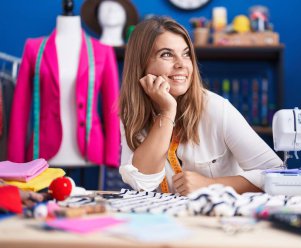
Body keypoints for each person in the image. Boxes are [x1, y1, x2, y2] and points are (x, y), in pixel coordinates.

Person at [118, 16, 283, 195]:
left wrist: (210, 185)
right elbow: (143, 182)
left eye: (186, 54)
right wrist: (167, 112)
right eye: (166, 54)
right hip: (166, 219)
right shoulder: (131, 113)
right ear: (141, 64)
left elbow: (278, 175)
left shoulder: (216, 108)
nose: (182, 64)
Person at [7, 11, 120, 168]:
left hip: (90, 151)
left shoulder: (102, 51)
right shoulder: (34, 48)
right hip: (42, 150)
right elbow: (20, 108)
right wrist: (15, 162)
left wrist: (112, 155)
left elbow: (113, 108)